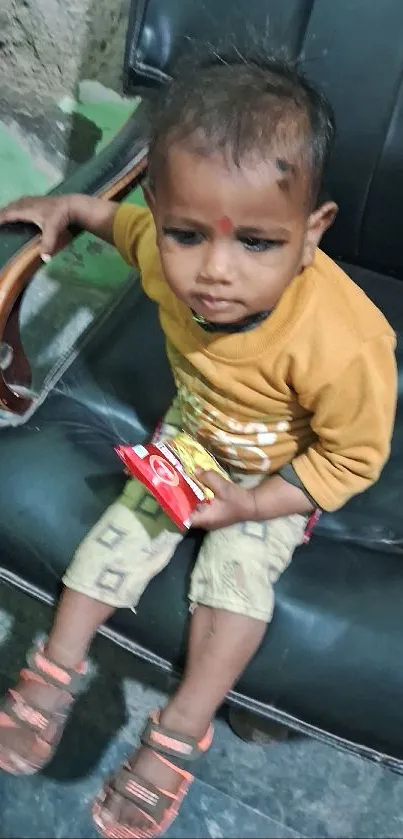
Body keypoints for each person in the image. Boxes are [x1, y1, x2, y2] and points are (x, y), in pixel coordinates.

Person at [0, 52, 397, 839]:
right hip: (189, 440)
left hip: (275, 469)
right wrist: (66, 206)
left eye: (256, 242)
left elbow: (349, 460)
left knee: (235, 583)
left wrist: (253, 502)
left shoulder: (343, 344)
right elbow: (117, 221)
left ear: (311, 233)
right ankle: (52, 668)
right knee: (111, 541)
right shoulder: (158, 245)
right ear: (165, 212)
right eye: (188, 234)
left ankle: (180, 728)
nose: (214, 272)